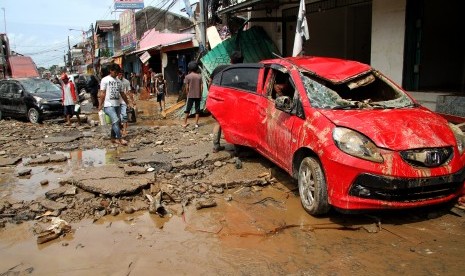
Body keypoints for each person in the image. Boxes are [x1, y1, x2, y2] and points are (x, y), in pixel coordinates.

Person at [209, 50, 244, 152]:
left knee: (218, 122)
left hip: (219, 99)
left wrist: (212, 96)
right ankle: (237, 147)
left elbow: (210, 82)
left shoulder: (219, 69)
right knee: (235, 123)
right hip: (234, 100)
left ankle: (216, 146)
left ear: (230, 59)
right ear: (242, 61)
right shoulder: (243, 71)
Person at [98, 63, 130, 146]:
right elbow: (102, 93)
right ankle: (120, 139)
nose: (116, 74)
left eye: (117, 72)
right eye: (115, 72)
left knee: (116, 122)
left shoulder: (119, 81)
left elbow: (122, 94)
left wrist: (127, 103)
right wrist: (100, 105)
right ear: (110, 71)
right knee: (116, 120)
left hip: (117, 105)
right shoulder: (105, 80)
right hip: (108, 105)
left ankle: (112, 138)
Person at [182, 61, 203, 128]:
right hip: (198, 95)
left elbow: (187, 87)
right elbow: (201, 87)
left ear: (189, 68)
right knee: (197, 109)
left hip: (190, 95)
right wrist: (201, 94)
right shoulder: (199, 76)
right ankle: (196, 124)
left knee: (188, 109)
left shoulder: (187, 77)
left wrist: (187, 94)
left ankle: (185, 123)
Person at [117, 71, 132, 136]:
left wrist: (132, 101)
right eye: (119, 74)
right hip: (116, 101)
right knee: (118, 117)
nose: (120, 75)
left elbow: (129, 92)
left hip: (123, 101)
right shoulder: (114, 81)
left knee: (124, 115)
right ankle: (120, 130)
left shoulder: (126, 82)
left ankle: (125, 130)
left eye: (121, 74)